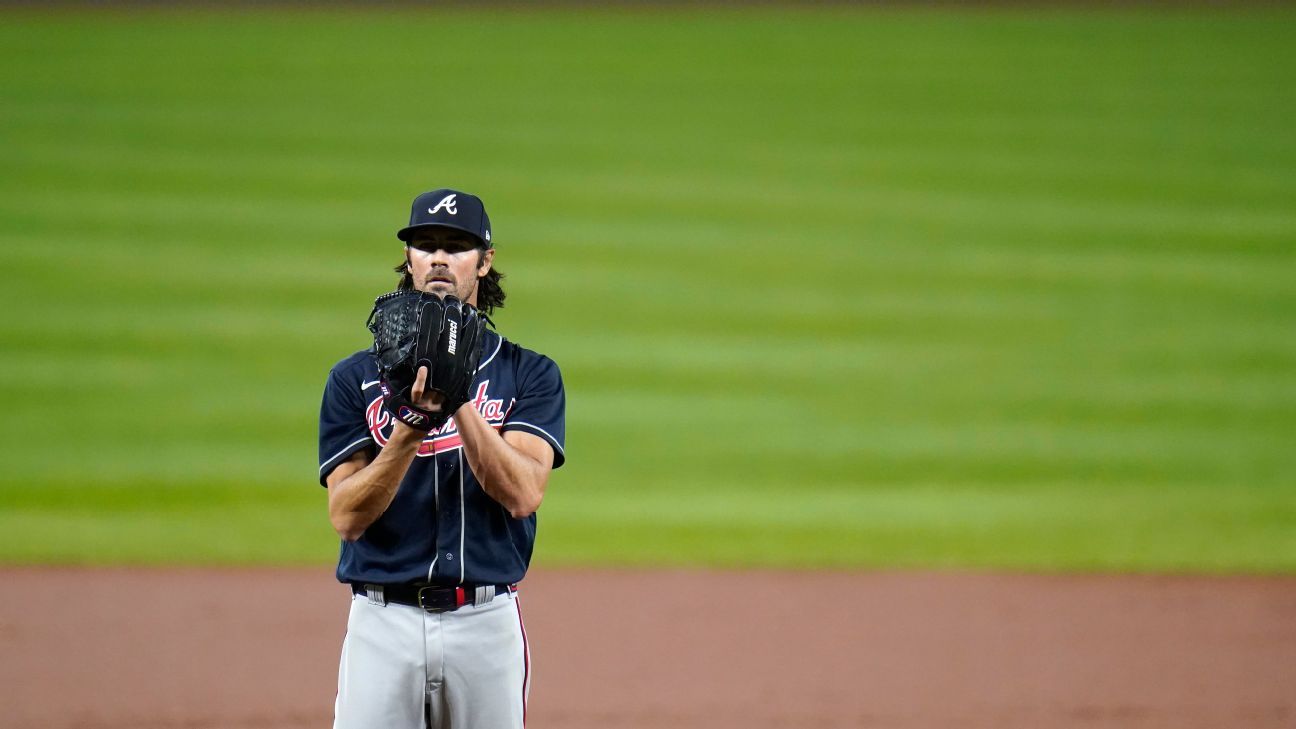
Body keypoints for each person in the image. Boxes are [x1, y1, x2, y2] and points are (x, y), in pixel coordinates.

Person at [317, 189, 566, 729]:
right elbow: (346, 516)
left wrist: (460, 403)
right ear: (408, 260)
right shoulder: (353, 379)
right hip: (383, 623)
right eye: (425, 244)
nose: (438, 257)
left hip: (485, 622)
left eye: (456, 246)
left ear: (484, 261)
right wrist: (408, 429)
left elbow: (524, 494)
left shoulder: (530, 374)